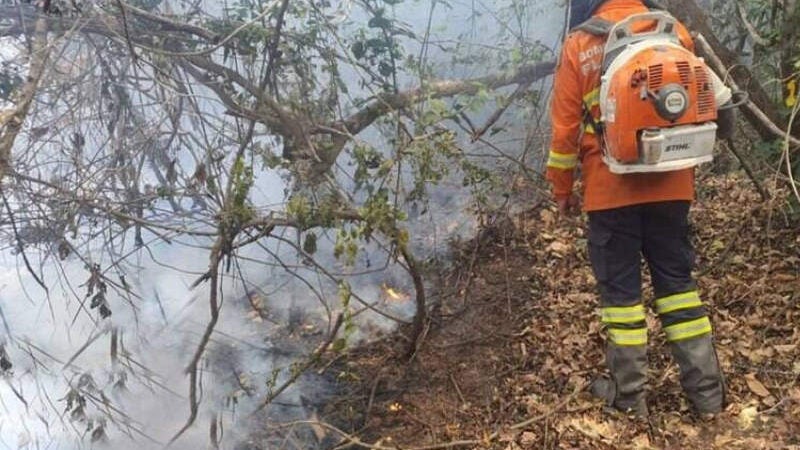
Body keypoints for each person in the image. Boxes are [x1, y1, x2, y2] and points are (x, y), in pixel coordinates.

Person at [547, 0, 734, 417]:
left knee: (622, 299)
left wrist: (562, 189)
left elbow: (564, 132)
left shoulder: (580, 43)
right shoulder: (674, 31)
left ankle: (630, 401)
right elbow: (707, 103)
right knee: (679, 287)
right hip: (672, 186)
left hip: (610, 190)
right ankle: (707, 397)